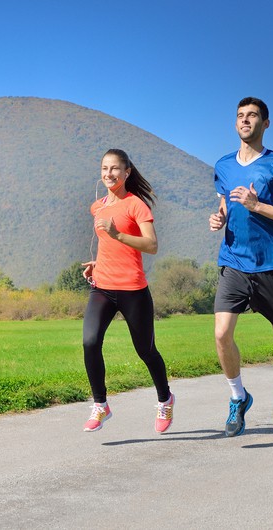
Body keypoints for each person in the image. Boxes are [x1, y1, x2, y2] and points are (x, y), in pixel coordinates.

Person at [209, 97, 273, 437]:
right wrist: (219, 217)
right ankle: (238, 397)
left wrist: (258, 205)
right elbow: (225, 202)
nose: (245, 120)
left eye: (252, 115)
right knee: (222, 334)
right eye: (240, 116)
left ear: (266, 123)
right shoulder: (223, 166)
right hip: (234, 261)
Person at [80, 148, 174, 433]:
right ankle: (100, 405)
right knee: (90, 342)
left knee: (146, 351)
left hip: (133, 289)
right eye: (104, 169)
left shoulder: (136, 206)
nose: (109, 174)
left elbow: (152, 245)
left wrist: (117, 233)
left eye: (115, 169)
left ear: (127, 172)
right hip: (103, 287)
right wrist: (99, 262)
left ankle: (165, 399)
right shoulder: (98, 207)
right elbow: (110, 245)